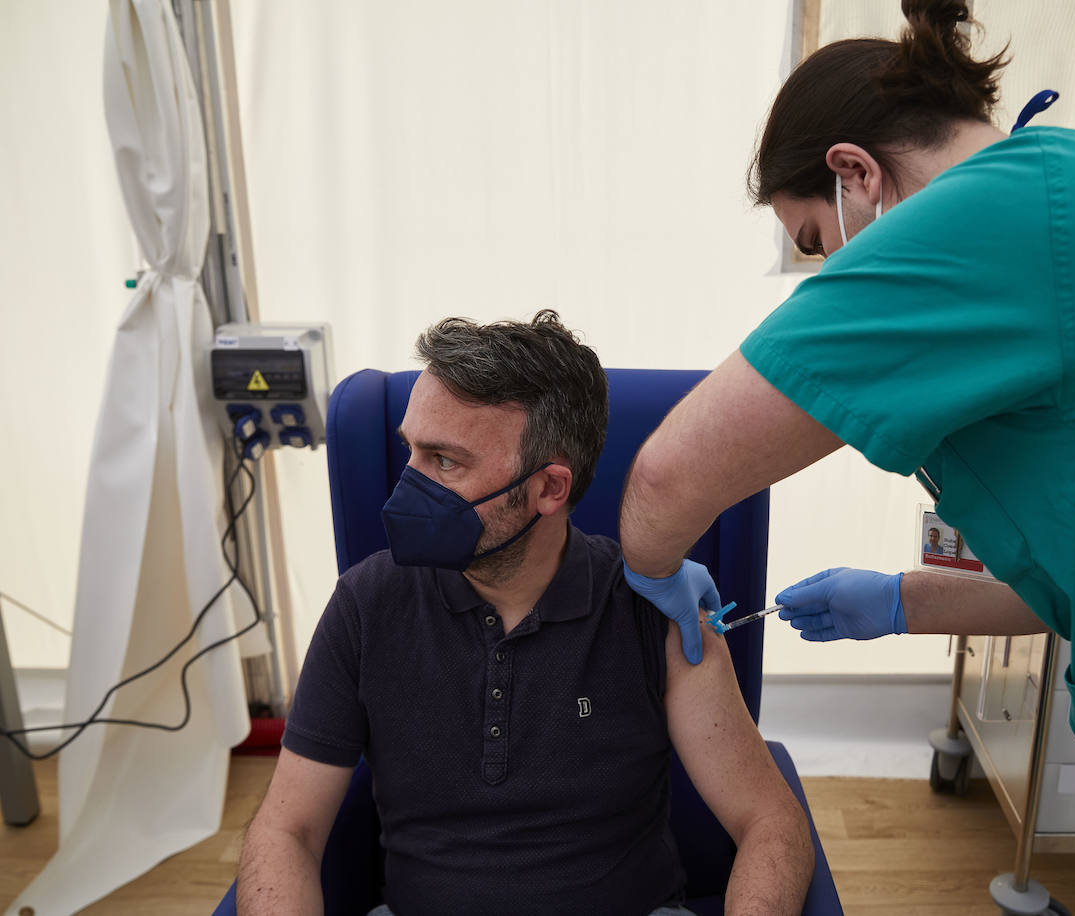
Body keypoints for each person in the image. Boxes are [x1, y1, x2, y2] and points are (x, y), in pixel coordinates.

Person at [616, 2, 1075, 914]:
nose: (829, 278)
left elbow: (667, 477)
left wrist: (655, 568)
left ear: (855, 174)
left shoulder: (991, 221)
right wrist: (900, 601)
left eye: (818, 243)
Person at [238, 312, 813, 916]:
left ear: (549, 489)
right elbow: (287, 831)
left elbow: (771, 822)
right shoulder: (365, 605)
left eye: (445, 461)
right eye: (410, 451)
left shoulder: (654, 611)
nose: (407, 485)